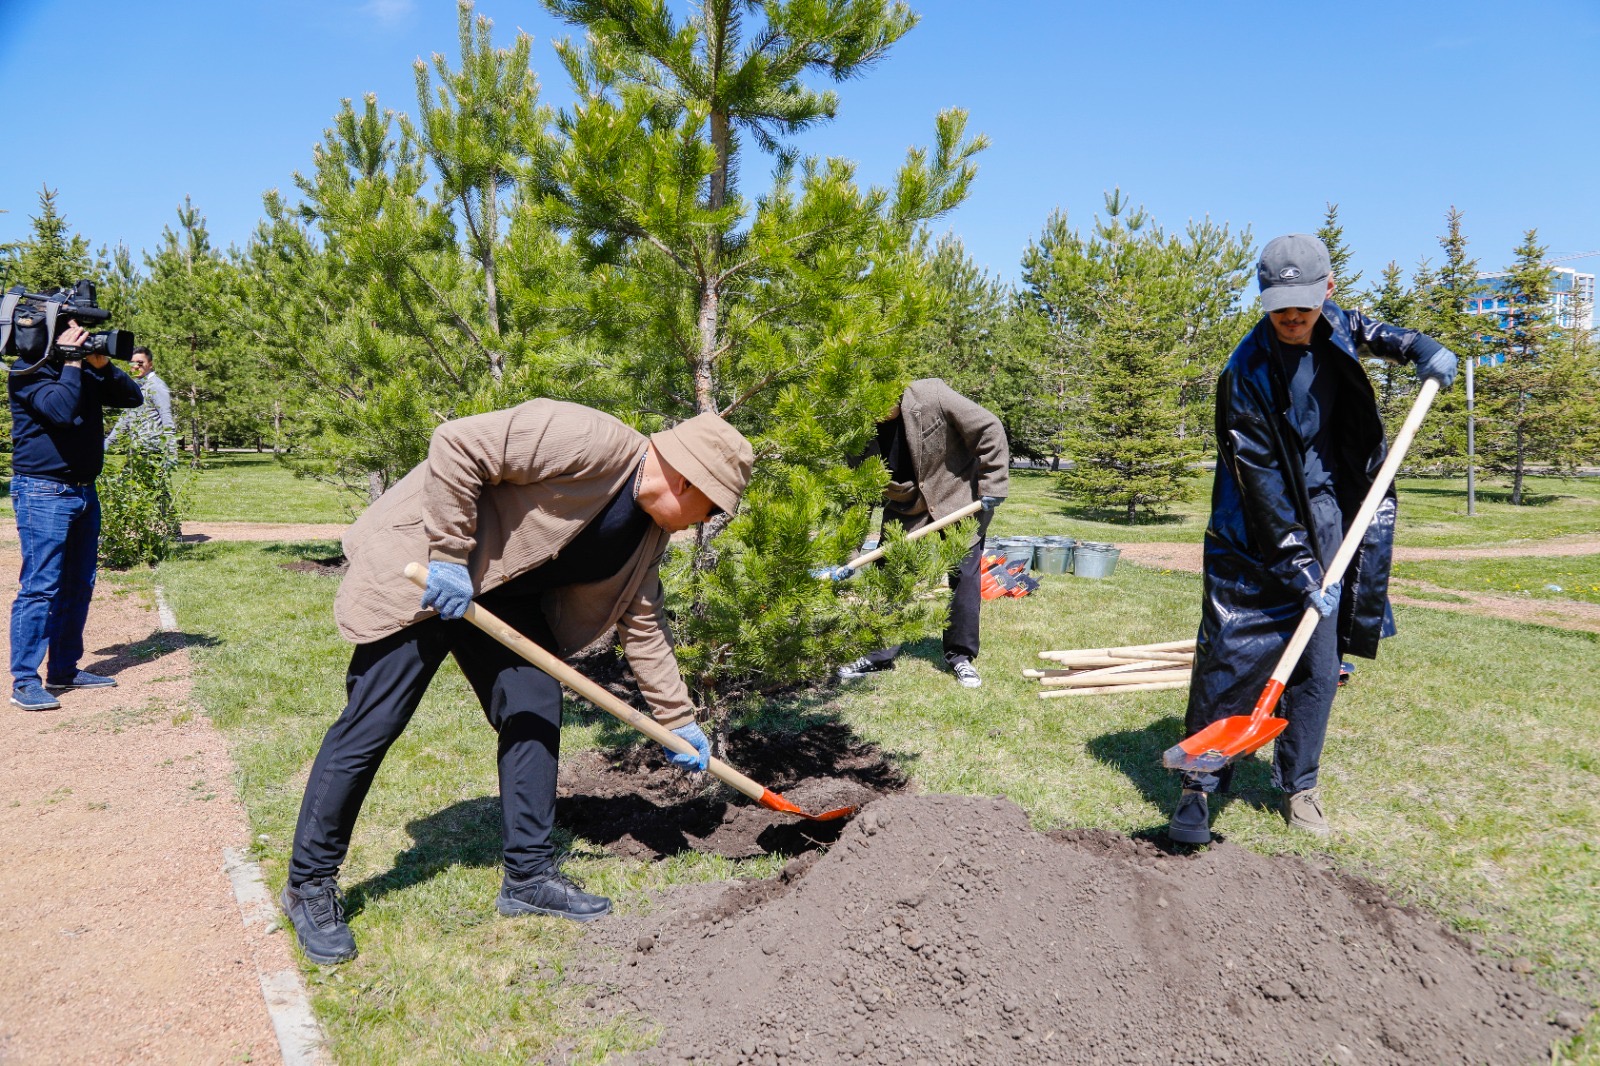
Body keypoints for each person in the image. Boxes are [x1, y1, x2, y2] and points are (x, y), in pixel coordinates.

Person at [280, 400, 753, 965]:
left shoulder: (647, 538)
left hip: (501, 594)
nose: (705, 523)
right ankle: (309, 884)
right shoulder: (588, 439)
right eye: (709, 509)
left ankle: (527, 876)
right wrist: (452, 555)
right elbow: (456, 443)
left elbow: (644, 626)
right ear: (684, 477)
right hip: (429, 565)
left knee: (534, 705)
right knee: (375, 719)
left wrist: (678, 720)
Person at [1167, 234, 1458, 845]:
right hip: (1253, 531)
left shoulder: (1338, 325)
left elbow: (1373, 331)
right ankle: (1200, 785)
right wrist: (1301, 570)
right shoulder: (1243, 373)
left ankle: (1300, 784)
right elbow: (1263, 485)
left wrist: (1419, 347)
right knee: (1228, 657)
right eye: (1280, 308)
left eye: (1303, 304)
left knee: (1319, 668)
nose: (1293, 318)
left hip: (1330, 516)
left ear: (1326, 290)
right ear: (1264, 300)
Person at [834, 378, 1009, 689]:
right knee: (889, 572)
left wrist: (993, 483)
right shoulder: (856, 432)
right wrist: (849, 553)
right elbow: (858, 496)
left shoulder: (932, 395)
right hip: (907, 507)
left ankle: (960, 656)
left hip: (959, 497)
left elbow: (989, 428)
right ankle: (879, 654)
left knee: (964, 575)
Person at [8, 323, 144, 710]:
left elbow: (131, 398)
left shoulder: (81, 369)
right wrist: (72, 363)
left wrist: (101, 366)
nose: (82, 342)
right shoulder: (26, 371)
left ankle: (64, 669)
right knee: (40, 587)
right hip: (42, 491)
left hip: (84, 491)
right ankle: (24, 681)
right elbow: (62, 411)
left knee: (79, 584)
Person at [103, 345, 175, 452]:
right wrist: (107, 443)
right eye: (132, 363)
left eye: (140, 363)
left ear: (150, 364)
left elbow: (166, 418)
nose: (136, 366)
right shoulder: (135, 387)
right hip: (136, 451)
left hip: (154, 453)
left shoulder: (156, 386)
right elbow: (125, 418)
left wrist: (171, 454)